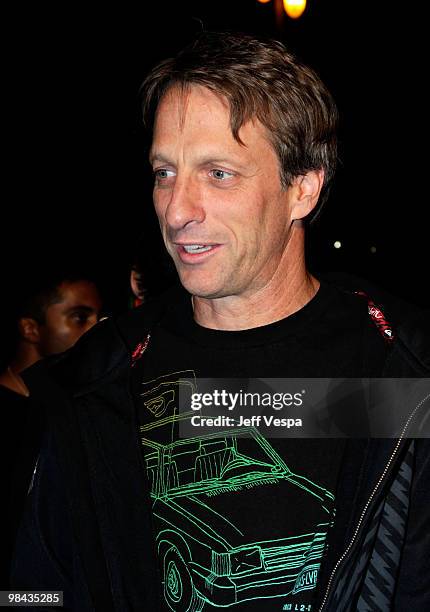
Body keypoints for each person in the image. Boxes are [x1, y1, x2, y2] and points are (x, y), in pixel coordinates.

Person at [11, 33, 429, 611]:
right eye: (164, 172)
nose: (178, 210)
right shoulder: (99, 381)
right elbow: (34, 588)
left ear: (303, 187)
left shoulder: (403, 371)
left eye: (218, 173)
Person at [0, 273, 102, 587]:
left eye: (100, 317)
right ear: (31, 328)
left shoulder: (76, 409)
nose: (96, 329)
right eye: (80, 318)